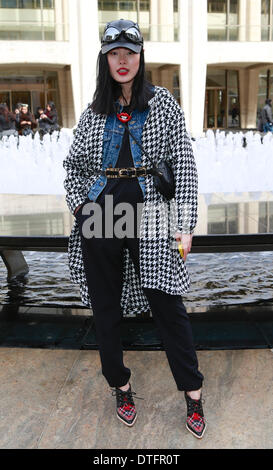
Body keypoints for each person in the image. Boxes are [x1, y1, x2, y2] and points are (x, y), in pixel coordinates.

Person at [63, 19, 206, 439]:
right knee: (105, 307)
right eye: (114, 54)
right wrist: (81, 207)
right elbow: (72, 168)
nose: (122, 61)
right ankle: (120, 386)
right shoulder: (94, 113)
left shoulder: (163, 103)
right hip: (101, 211)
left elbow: (184, 163)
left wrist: (184, 223)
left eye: (130, 52)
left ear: (141, 58)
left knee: (167, 302)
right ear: (105, 60)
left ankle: (193, 392)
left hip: (151, 208)